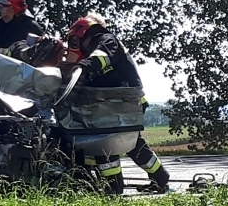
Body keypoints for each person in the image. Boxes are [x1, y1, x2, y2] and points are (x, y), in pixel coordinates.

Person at [64, 14, 171, 195]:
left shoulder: (106, 40)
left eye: (74, 41)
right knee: (132, 144)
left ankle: (113, 187)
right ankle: (160, 178)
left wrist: (80, 67)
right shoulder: (98, 47)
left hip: (122, 104)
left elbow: (100, 59)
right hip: (123, 103)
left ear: (82, 33)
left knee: (105, 140)